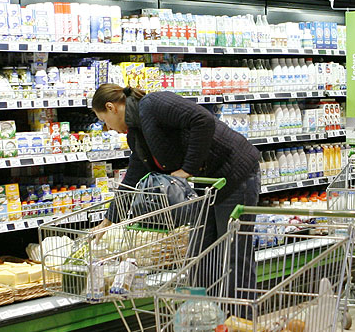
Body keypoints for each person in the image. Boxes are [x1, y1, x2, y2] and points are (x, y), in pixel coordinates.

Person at [91, 84, 261, 290]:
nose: (108, 128)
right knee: (199, 256)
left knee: (233, 254)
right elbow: (134, 175)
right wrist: (108, 220)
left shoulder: (152, 104)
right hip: (206, 186)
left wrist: (187, 169)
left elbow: (203, 120)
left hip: (234, 173)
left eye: (104, 120)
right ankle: (206, 308)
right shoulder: (136, 133)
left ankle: (238, 310)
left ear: (111, 107)